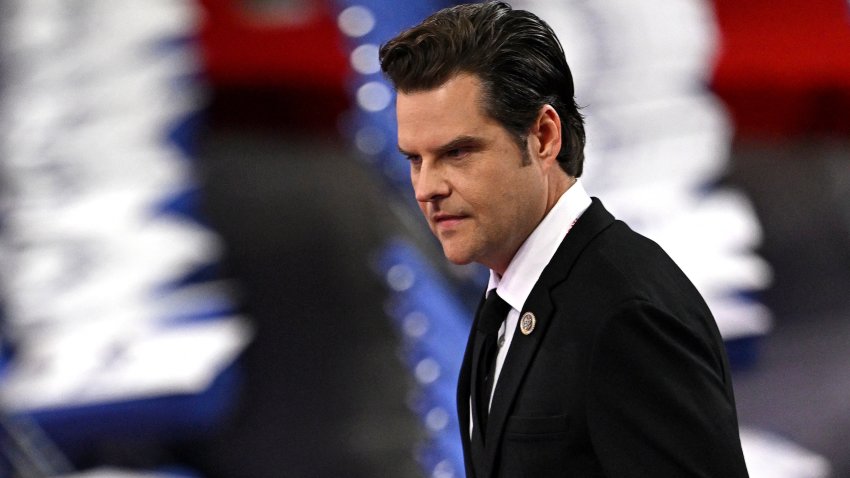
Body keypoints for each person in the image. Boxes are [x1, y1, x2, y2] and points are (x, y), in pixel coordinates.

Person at [379, 2, 750, 477]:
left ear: (544, 136)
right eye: (415, 159)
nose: (428, 187)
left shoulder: (627, 313)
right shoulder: (507, 301)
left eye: (457, 152)